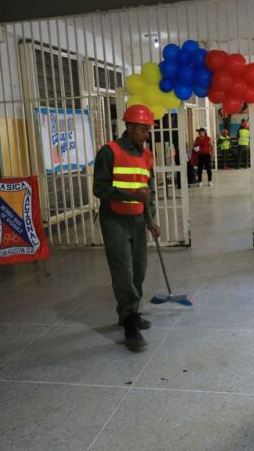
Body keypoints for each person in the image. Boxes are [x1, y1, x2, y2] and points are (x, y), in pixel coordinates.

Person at [93, 104, 161, 352]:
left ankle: (130, 311)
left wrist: (151, 220)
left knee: (139, 270)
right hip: (115, 219)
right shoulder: (108, 152)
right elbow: (99, 190)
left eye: (148, 130)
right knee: (123, 270)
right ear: (129, 127)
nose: (146, 135)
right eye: (143, 130)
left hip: (137, 219)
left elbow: (148, 192)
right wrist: (131, 194)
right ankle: (129, 321)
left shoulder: (146, 156)